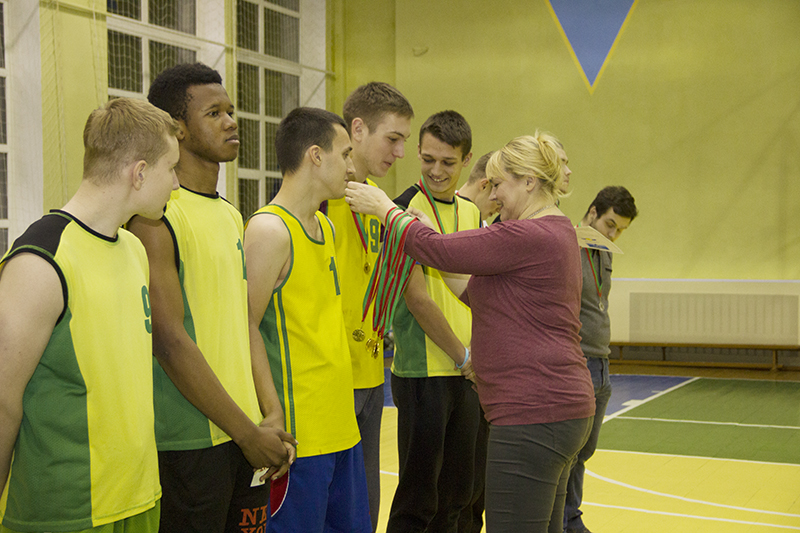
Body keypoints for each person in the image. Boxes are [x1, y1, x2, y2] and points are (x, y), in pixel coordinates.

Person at [345, 131, 597, 533]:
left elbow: (440, 254)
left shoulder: (527, 234)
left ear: (529, 182)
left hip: (532, 413)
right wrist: (426, 231)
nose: (494, 196)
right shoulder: (554, 231)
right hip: (555, 408)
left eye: (499, 185)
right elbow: (475, 292)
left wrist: (384, 210)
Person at [128, 63, 295, 533]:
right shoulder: (154, 219)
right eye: (214, 113)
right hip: (189, 442)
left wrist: (271, 410)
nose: (231, 122)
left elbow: (243, 323)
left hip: (246, 434)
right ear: (176, 129)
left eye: (231, 111)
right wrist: (248, 433)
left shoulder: (228, 213)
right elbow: (169, 341)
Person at [0, 98, 179, 532]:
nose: (175, 184)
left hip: (139, 499)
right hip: (65, 512)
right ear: (138, 173)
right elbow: (3, 402)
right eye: (170, 169)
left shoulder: (134, 248)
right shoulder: (39, 261)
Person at [245, 107, 371, 532]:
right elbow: (245, 326)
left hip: (342, 430)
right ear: (315, 156)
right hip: (301, 440)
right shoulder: (269, 231)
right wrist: (272, 414)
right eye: (346, 155)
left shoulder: (324, 225)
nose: (352, 169)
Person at [321, 82, 414, 532]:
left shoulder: (375, 200)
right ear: (357, 129)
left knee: (365, 510)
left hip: (371, 372)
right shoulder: (318, 195)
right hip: (326, 378)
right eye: (392, 139)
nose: (399, 152)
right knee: (326, 510)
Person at [386, 110, 482, 533]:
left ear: (466, 159)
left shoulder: (473, 214)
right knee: (418, 499)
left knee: (459, 495)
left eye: (447, 162)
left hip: (469, 372)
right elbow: (418, 299)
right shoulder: (404, 210)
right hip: (426, 372)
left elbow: (481, 292)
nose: (436, 171)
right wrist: (464, 357)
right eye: (427, 159)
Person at [564, 186, 638, 533]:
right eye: (610, 224)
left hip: (601, 362)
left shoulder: (604, 252)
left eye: (620, 230)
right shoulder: (565, 247)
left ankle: (570, 515)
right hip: (576, 362)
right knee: (570, 450)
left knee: (584, 452)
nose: (613, 234)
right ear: (592, 212)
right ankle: (565, 521)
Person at [457, 150, 498, 223]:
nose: (499, 210)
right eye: (498, 199)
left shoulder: (482, 225)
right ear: (484, 185)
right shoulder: (441, 213)